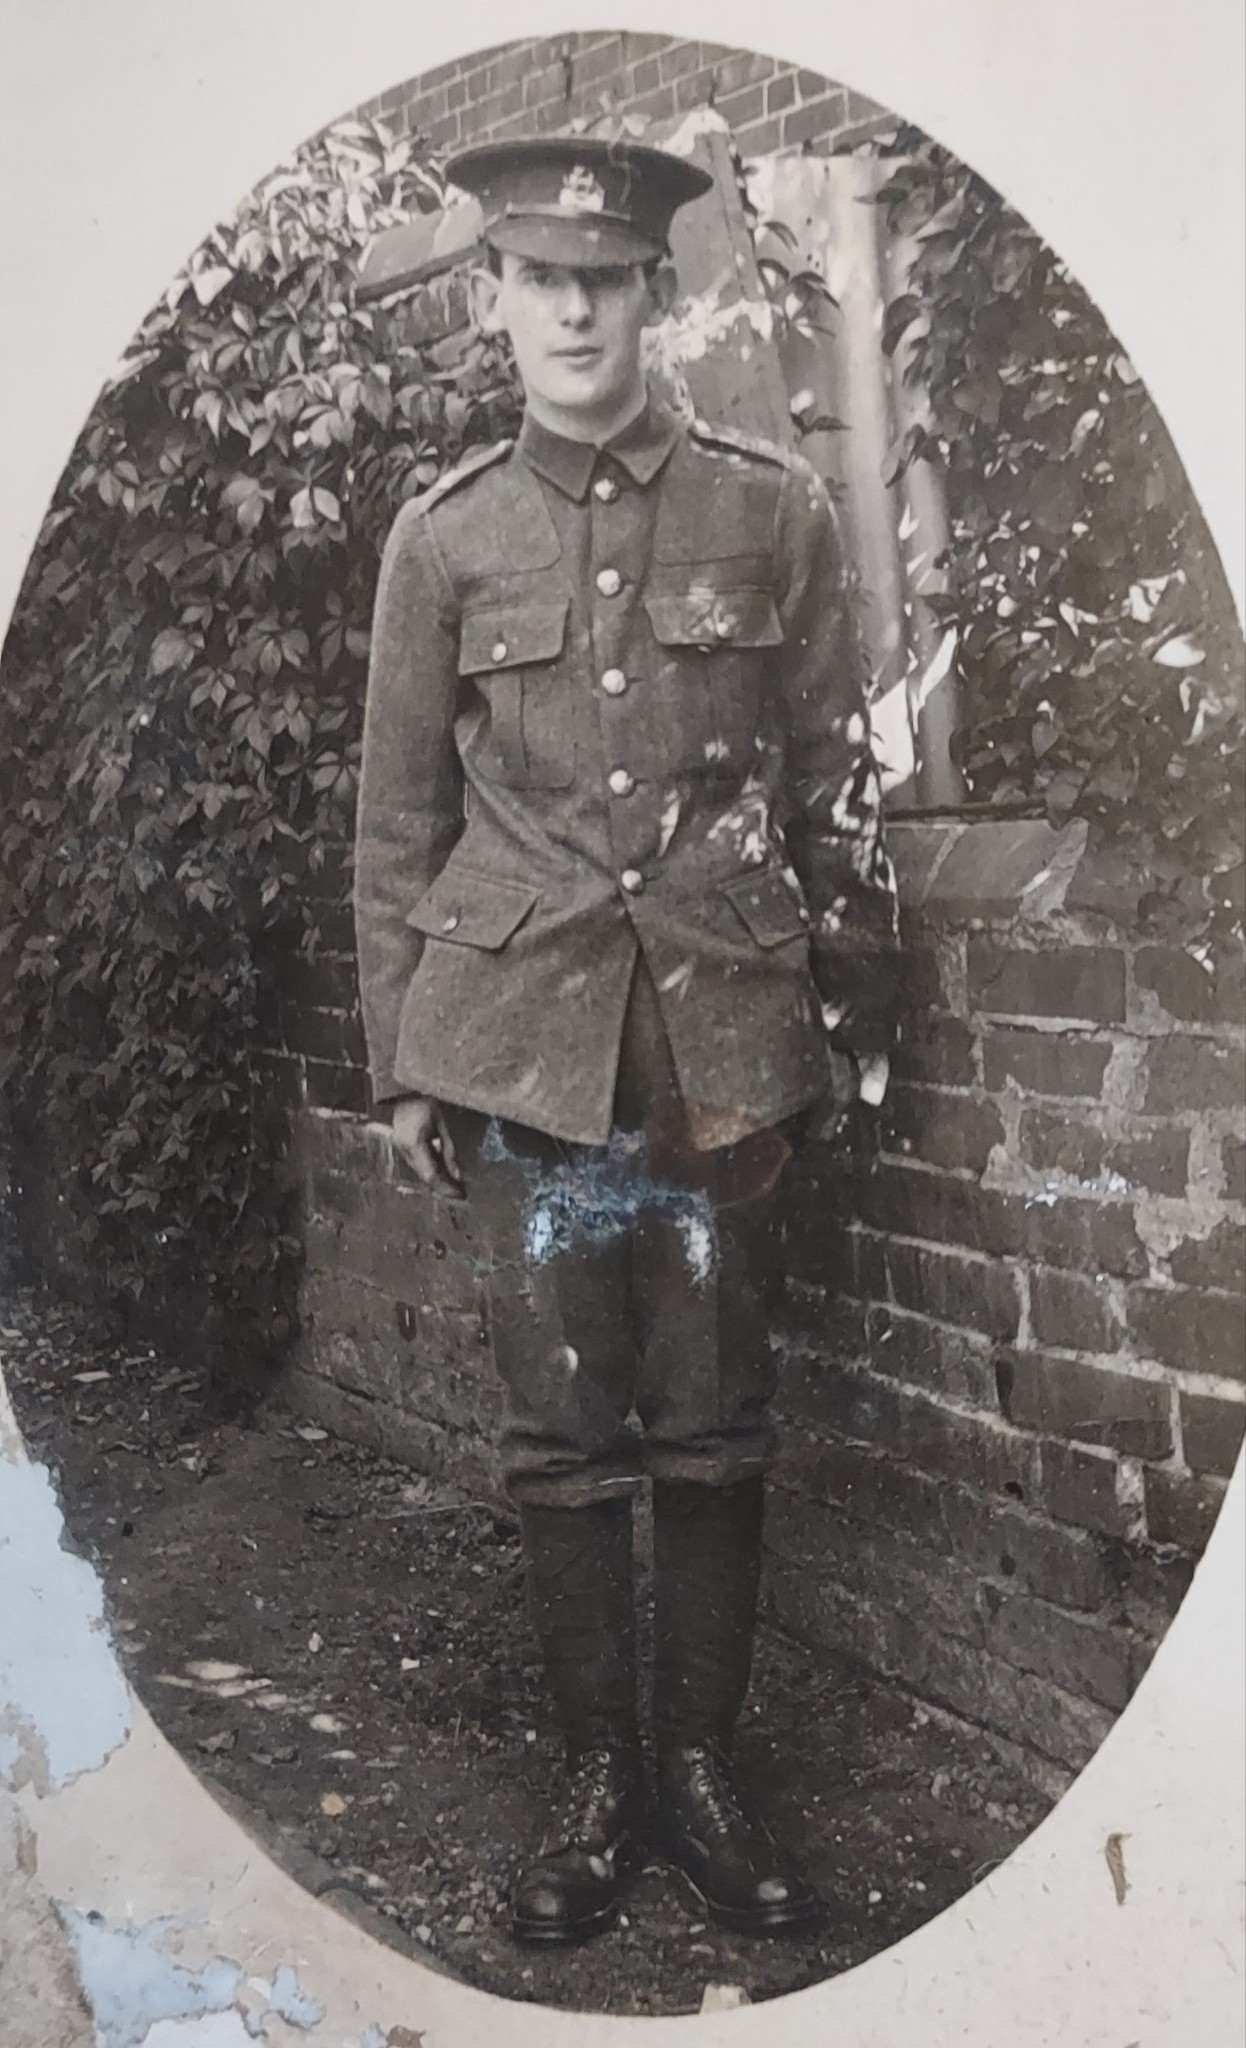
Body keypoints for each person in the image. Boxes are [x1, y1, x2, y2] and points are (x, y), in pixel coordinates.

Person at [353, 135, 900, 1947]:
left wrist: (852, 1020)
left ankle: (704, 1778)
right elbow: (397, 822)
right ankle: (599, 1785)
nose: (573, 311)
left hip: (716, 1051)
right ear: (494, 299)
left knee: (716, 1422)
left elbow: (833, 783)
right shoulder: (443, 537)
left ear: (653, 294)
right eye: (540, 279)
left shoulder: (768, 509)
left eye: (604, 280)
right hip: (521, 1053)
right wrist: (402, 1061)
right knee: (563, 1432)